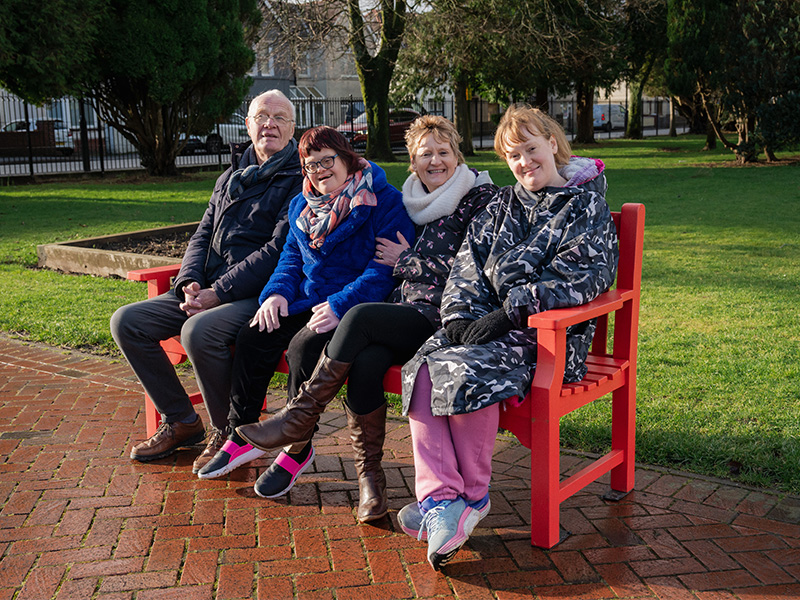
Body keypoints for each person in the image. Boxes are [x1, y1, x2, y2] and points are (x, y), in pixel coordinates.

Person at [228, 115, 497, 521]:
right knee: (366, 362)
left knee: (355, 318)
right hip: (400, 308)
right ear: (413, 162)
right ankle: (371, 481)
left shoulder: (479, 199)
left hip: (443, 316)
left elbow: (474, 270)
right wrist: (278, 294)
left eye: (444, 152)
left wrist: (406, 261)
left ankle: (297, 420)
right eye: (426, 154)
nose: (435, 161)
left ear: (458, 155)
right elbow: (293, 259)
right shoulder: (411, 198)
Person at [397, 104, 619, 571]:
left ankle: (471, 498)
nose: (523, 162)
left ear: (552, 145)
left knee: (461, 370)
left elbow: (584, 278)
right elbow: (466, 266)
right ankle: (443, 500)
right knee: (422, 366)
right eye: (513, 155)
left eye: (530, 149)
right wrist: (457, 315)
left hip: (549, 338)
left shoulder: (585, 205)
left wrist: (509, 314)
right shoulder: (500, 205)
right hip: (485, 325)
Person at [196, 125, 415, 500]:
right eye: (311, 165)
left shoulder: (382, 199)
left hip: (356, 308)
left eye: (328, 160)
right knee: (254, 334)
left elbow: (382, 272)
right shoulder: (302, 204)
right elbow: (290, 259)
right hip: (307, 301)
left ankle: (296, 447)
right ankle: (241, 432)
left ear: (347, 159)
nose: (321, 171)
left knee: (302, 348)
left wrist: (339, 304)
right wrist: (276, 295)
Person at [111, 90, 303, 471]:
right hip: (209, 287)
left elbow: (278, 251)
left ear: (293, 128)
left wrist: (219, 292)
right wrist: (189, 282)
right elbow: (201, 235)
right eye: (262, 116)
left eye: (280, 117)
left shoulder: (298, 177)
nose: (270, 124)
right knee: (127, 321)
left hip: (259, 293)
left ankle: (225, 431)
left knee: (198, 331)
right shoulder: (231, 176)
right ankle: (182, 421)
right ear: (247, 125)